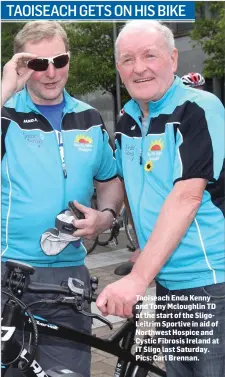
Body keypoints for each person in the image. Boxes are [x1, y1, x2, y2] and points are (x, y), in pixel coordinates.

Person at [96, 20, 225, 377]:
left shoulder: (198, 107)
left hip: (209, 283)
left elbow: (186, 196)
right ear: (119, 68)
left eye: (150, 56)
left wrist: (137, 278)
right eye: (128, 59)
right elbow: (135, 184)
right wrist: (135, 240)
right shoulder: (128, 119)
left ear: (172, 57)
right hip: (167, 282)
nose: (139, 67)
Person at [1, 21, 123, 377]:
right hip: (8, 272)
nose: (51, 73)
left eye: (60, 60)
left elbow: (109, 178)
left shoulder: (88, 117)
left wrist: (106, 215)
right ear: (22, 66)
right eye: (38, 64)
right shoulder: (5, 115)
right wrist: (6, 88)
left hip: (68, 278)